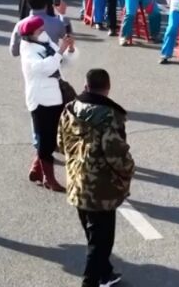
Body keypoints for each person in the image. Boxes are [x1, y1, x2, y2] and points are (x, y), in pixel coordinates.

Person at [58, 68, 136, 287]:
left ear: (86, 86)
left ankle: (106, 273)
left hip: (76, 181)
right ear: (107, 88)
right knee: (101, 242)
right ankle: (90, 282)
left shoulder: (69, 109)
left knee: (93, 234)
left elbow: (61, 143)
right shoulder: (110, 116)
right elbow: (116, 154)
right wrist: (129, 170)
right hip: (101, 188)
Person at [17, 15, 72, 193]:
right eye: (40, 30)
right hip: (41, 100)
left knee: (52, 136)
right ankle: (49, 179)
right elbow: (43, 68)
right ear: (30, 34)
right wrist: (59, 52)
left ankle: (36, 168)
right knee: (45, 139)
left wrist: (68, 49)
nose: (44, 32)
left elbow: (62, 58)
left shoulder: (44, 41)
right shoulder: (28, 51)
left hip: (55, 96)